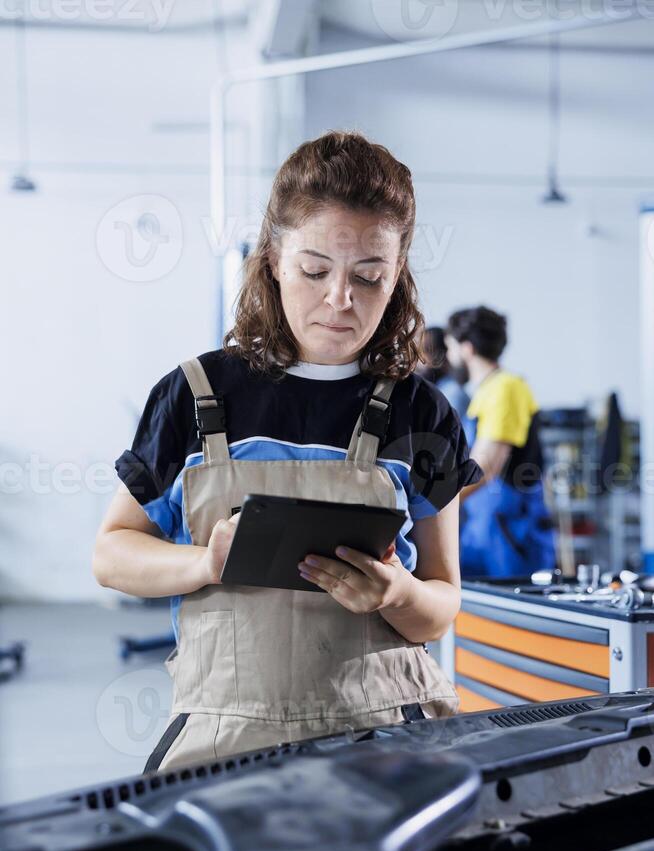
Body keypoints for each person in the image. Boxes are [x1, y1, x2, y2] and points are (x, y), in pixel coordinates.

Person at [93, 131, 483, 772]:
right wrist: (205, 563)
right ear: (273, 259)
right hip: (224, 741)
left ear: (397, 275)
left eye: (369, 276)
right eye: (315, 270)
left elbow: (441, 605)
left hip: (385, 741)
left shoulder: (423, 414)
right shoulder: (195, 395)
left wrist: (396, 593)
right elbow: (111, 555)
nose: (340, 299)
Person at [444, 305, 556, 578]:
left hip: (509, 533)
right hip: (485, 527)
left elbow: (486, 466)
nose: (447, 357)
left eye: (449, 348)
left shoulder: (505, 388)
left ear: (467, 349)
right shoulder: (486, 391)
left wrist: (435, 505)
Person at [415, 325, 470, 420]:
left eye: (426, 350)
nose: (420, 358)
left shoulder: (452, 393)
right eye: (418, 351)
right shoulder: (424, 390)